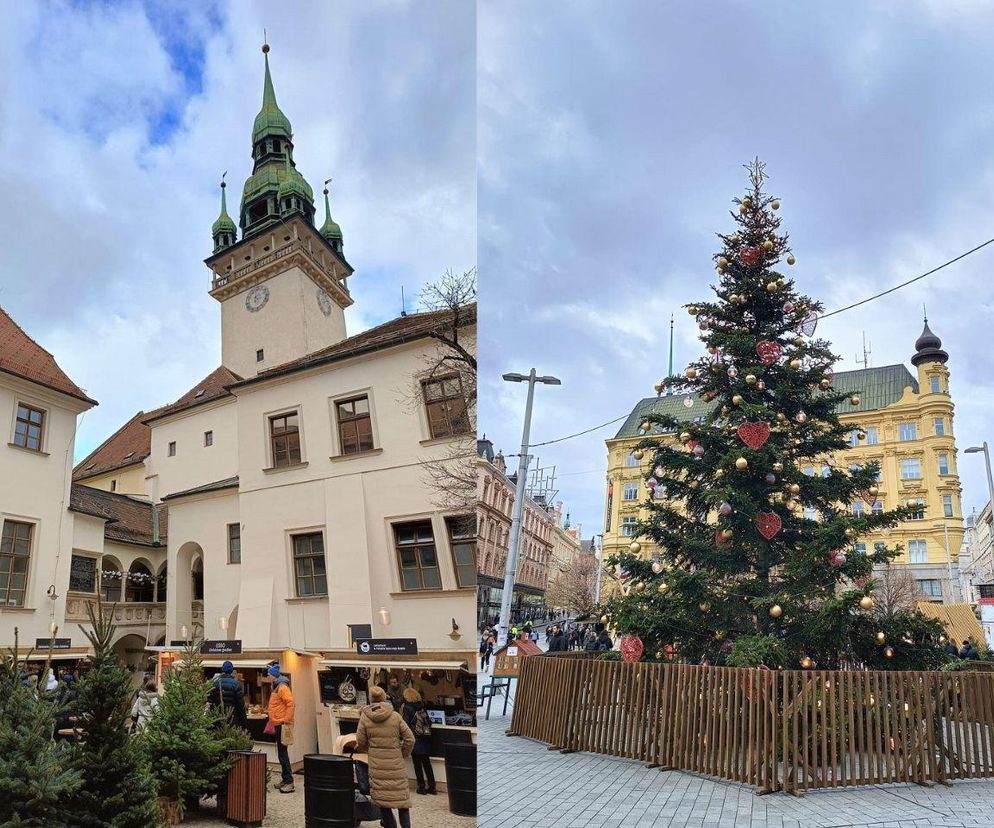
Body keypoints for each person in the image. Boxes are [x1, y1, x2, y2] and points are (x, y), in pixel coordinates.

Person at [356, 685, 415, 828]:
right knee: (402, 803)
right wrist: (403, 754)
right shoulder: (395, 716)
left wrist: (369, 751)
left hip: (377, 766)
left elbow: (361, 741)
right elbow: (410, 739)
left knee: (383, 802)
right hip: (396, 766)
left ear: (370, 699)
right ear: (384, 697)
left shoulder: (365, 717)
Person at [400, 687, 436, 795]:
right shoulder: (421, 706)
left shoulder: (407, 707)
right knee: (427, 763)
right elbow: (429, 722)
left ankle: (421, 787)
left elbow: (405, 723)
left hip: (415, 738)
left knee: (417, 764)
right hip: (425, 738)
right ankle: (432, 786)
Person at [267, 664, 296, 793]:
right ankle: (285, 779)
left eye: (269, 675)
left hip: (282, 724)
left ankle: (289, 781)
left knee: (283, 753)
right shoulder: (277, 687)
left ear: (273, 675)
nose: (268, 677)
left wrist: (286, 720)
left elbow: (290, 704)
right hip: (278, 723)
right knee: (281, 753)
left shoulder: (282, 687)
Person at [208, 661, 248, 729]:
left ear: (222, 669)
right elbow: (240, 705)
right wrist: (244, 723)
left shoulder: (215, 683)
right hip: (233, 719)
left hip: (218, 719)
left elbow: (211, 702)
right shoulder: (236, 684)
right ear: (232, 671)